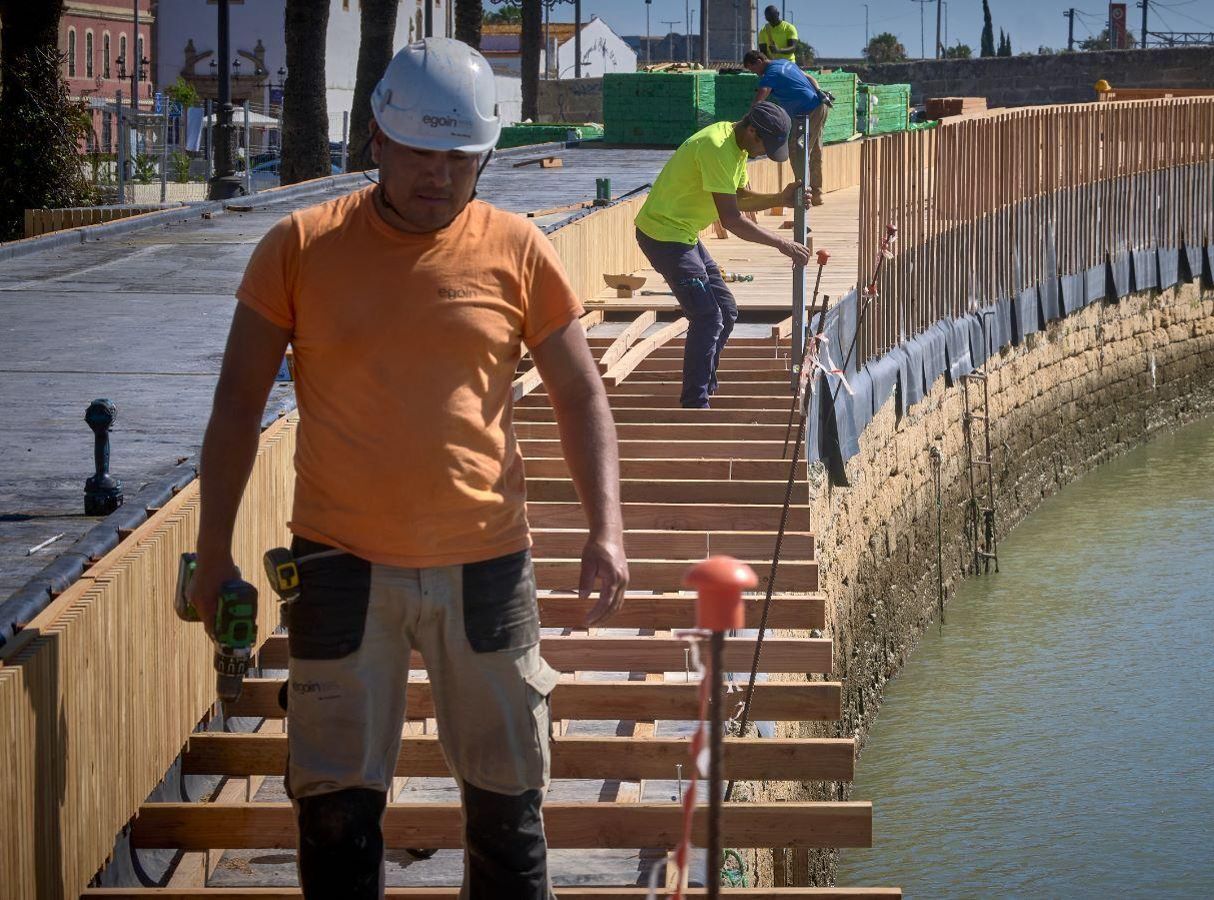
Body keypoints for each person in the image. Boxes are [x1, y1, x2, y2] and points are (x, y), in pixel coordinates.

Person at [188, 37, 628, 899]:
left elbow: (581, 396)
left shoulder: (520, 248)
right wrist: (213, 554)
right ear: (377, 142)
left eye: (459, 158)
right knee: (337, 809)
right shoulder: (299, 247)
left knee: (509, 808)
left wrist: (606, 529)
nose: (438, 175)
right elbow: (237, 406)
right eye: (420, 153)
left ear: (484, 157)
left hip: (488, 563)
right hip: (339, 563)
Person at [633, 101, 812, 408]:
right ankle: (695, 403)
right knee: (706, 316)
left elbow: (739, 198)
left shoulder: (737, 146)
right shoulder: (716, 147)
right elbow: (732, 219)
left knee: (725, 311)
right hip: (663, 235)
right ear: (752, 130)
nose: (760, 153)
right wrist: (783, 244)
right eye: (762, 147)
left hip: (684, 233)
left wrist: (780, 197)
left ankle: (705, 385)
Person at [743, 49, 827, 206]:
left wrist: (748, 118)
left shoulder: (770, 73)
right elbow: (809, 77)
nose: (755, 74)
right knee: (814, 149)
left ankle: (803, 193)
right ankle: (816, 194)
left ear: (759, 61)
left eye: (753, 69)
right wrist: (818, 91)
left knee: (797, 150)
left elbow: (762, 94)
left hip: (807, 111)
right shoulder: (785, 63)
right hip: (818, 106)